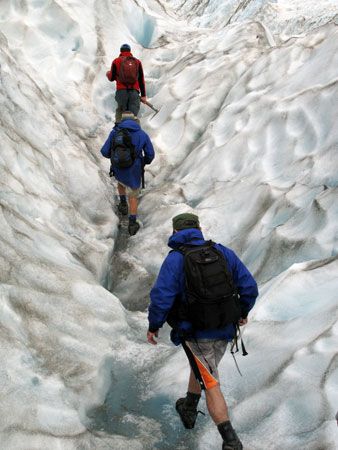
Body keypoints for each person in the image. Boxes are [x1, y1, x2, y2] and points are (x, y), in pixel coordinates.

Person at [147, 213, 258, 450]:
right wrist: (242, 312)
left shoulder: (176, 259)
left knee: (210, 381)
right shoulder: (223, 252)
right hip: (225, 328)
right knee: (203, 366)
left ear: (176, 232)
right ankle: (189, 405)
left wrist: (154, 325)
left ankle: (230, 441)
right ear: (198, 228)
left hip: (196, 330)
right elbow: (249, 287)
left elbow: (161, 297)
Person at [100, 111, 155, 236]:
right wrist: (144, 162)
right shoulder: (142, 134)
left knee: (120, 183)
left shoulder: (115, 132)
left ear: (122, 120)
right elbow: (150, 154)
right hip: (134, 169)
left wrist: (114, 156)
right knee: (133, 195)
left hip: (118, 167)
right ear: (135, 120)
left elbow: (104, 151)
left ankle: (123, 204)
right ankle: (132, 223)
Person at [106, 43, 147, 124]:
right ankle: (135, 134)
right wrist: (143, 96)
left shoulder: (116, 61)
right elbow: (141, 79)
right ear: (130, 51)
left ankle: (118, 132)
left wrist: (108, 73)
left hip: (121, 93)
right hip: (134, 93)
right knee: (133, 118)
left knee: (120, 116)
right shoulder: (137, 62)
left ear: (120, 51)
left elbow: (111, 78)